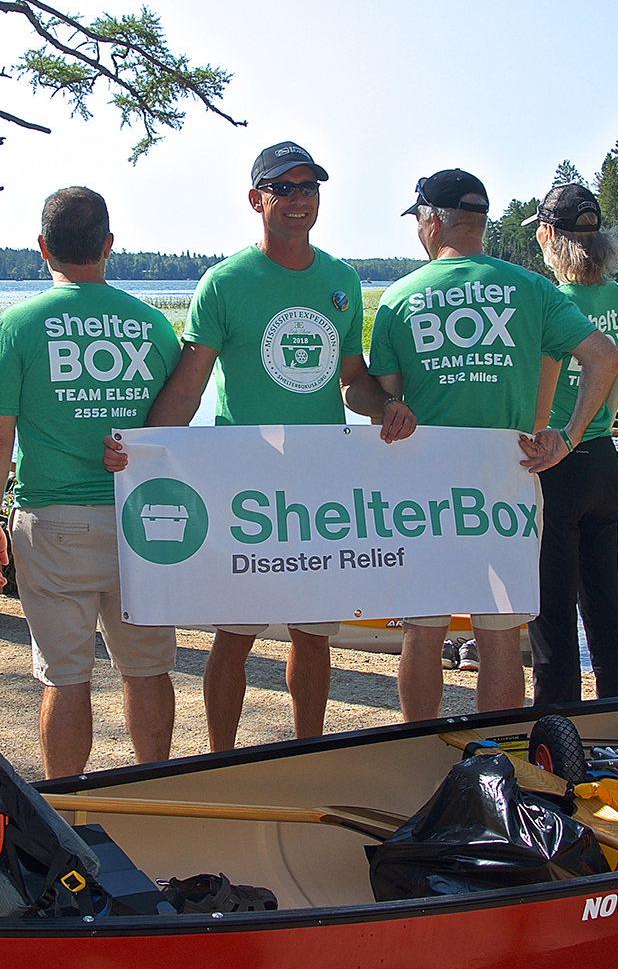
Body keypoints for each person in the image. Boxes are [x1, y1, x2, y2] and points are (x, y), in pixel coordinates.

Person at [108, 142, 414, 752]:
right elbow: (189, 387)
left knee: (313, 632)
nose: (300, 200)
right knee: (236, 632)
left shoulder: (342, 280)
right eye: (285, 189)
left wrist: (387, 408)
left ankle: (307, 750)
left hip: (320, 481)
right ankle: (222, 755)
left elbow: (352, 380)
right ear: (256, 200)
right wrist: (139, 448)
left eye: (310, 189)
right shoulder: (225, 283)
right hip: (242, 482)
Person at [367, 169, 618, 720]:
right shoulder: (531, 288)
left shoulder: (398, 298)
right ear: (479, 223)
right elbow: (605, 357)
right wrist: (568, 438)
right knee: (501, 632)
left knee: (423, 629)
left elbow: (386, 410)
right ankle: (496, 752)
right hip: (508, 475)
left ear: (431, 222)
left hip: (424, 484)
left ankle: (421, 749)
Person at [0, 187, 182, 777]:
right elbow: (170, 429)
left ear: (43, 247)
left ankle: (67, 803)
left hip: (54, 518)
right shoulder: (151, 324)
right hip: (140, 518)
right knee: (147, 669)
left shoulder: (18, 324)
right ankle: (155, 791)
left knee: (64, 676)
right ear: (110, 247)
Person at [521, 181, 618, 702]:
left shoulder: (552, 300)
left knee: (551, 611)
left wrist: (551, 437)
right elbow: (610, 379)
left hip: (559, 457)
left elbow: (542, 392)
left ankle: (557, 725)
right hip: (603, 457)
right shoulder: (615, 298)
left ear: (549, 235)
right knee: (605, 602)